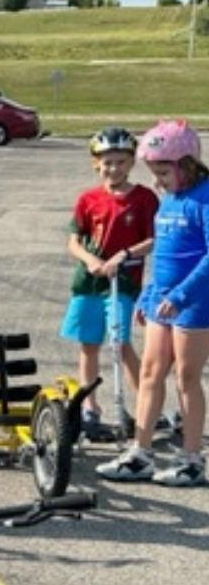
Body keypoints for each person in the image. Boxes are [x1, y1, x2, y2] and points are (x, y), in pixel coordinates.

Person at [98, 120, 209, 487]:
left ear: (187, 163)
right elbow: (162, 254)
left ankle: (191, 459)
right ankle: (140, 453)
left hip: (195, 303)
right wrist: (149, 294)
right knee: (149, 373)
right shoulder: (169, 202)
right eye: (154, 172)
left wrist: (180, 295)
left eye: (163, 171)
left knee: (186, 378)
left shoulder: (204, 198)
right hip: (163, 300)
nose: (158, 180)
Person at [59, 126, 157, 438]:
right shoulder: (88, 199)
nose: (113, 168)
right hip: (89, 283)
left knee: (120, 343)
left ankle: (146, 405)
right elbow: (74, 241)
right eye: (106, 162)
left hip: (123, 283)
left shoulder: (143, 198)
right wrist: (91, 261)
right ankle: (91, 407)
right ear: (95, 163)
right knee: (89, 345)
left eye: (120, 162)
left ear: (131, 163)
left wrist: (124, 255)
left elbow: (153, 240)